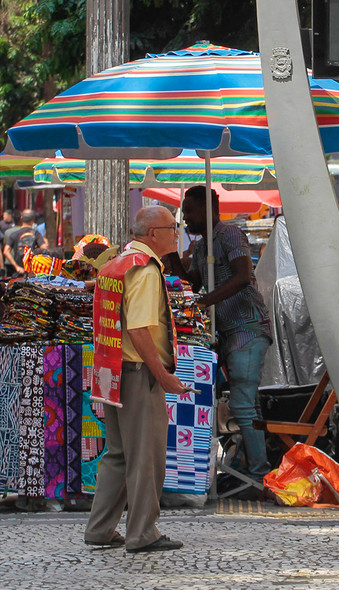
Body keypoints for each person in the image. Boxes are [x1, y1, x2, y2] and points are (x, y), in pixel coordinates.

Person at [84, 206, 188, 553]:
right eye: (173, 227)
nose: (177, 232)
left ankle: (100, 529)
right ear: (154, 234)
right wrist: (163, 375)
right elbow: (139, 329)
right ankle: (143, 532)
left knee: (119, 454)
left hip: (112, 368)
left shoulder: (118, 262)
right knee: (146, 456)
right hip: (137, 372)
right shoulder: (144, 270)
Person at [178, 186, 273, 492]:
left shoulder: (230, 234)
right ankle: (249, 466)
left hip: (247, 329)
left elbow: (242, 275)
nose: (185, 218)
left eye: (189, 211)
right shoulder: (203, 245)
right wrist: (168, 250)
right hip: (229, 334)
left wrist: (204, 303)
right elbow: (190, 280)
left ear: (207, 209)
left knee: (243, 405)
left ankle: (259, 475)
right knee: (248, 405)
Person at [4, 210, 47, 276]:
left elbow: (6, 251)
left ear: (21, 218)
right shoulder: (36, 234)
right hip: (32, 272)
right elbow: (44, 248)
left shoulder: (14, 234)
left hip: (19, 272)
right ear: (33, 220)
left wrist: (16, 267)